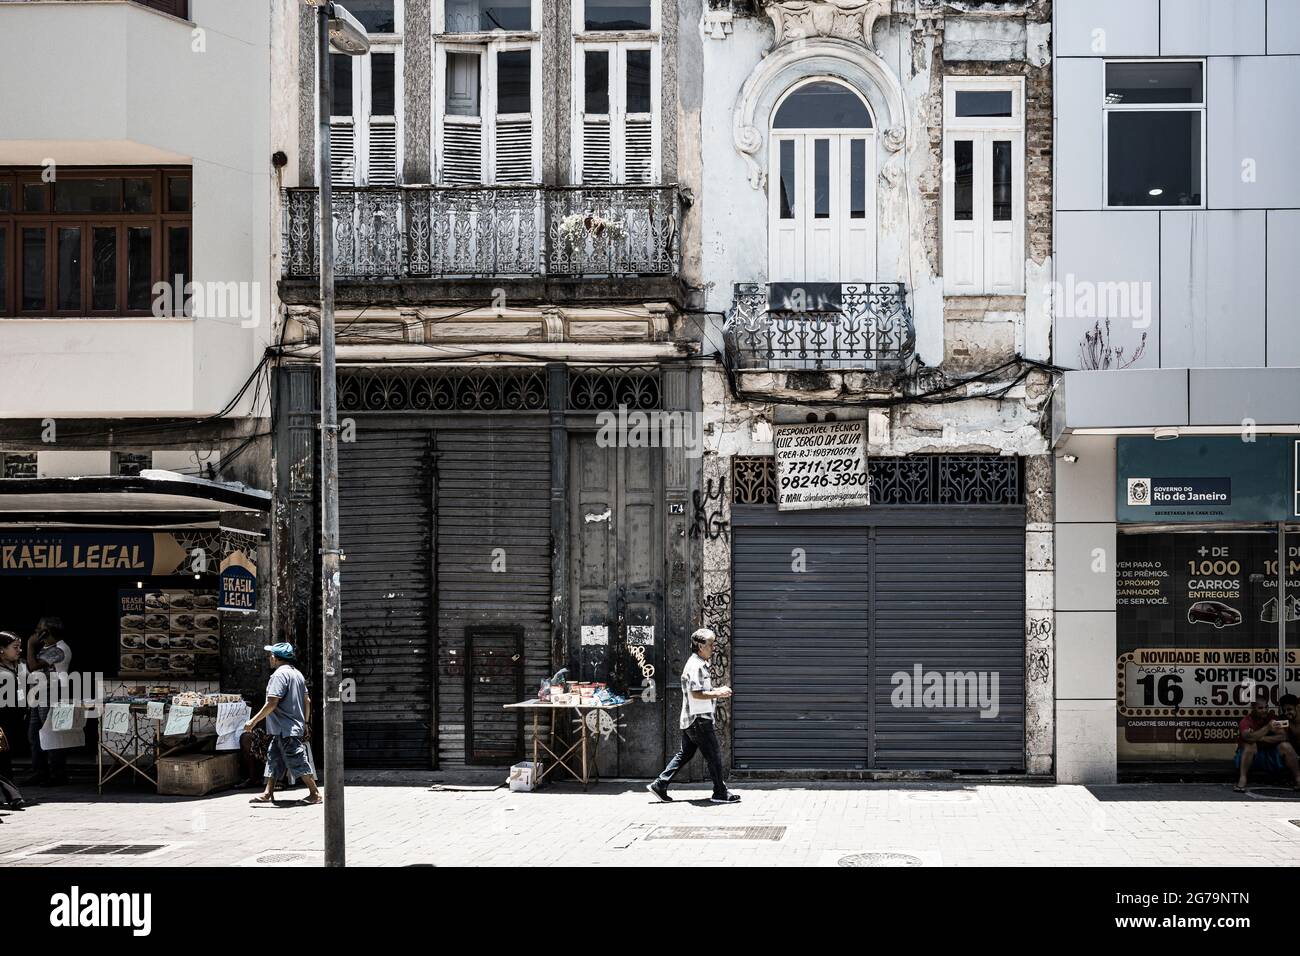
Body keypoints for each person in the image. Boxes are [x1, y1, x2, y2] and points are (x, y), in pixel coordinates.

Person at [647, 627, 740, 804]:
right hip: (698, 719)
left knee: (685, 754)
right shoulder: (696, 666)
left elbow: (699, 691)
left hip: (692, 718)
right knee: (714, 756)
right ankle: (720, 792)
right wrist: (718, 693)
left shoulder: (697, 663)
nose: (713, 648)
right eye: (710, 645)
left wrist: (714, 691)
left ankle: (660, 784)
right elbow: (696, 693)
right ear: (700, 646)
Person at [244, 642, 320, 806]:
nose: (269, 658)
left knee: (297, 759)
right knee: (274, 758)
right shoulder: (297, 674)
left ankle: (314, 793)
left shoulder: (279, 676)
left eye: (271, 655)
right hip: (285, 728)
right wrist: (305, 722)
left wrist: (253, 721)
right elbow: (307, 700)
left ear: (275, 658)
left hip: (286, 728)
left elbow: (271, 703)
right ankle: (267, 792)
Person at [24, 617, 80, 787]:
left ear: (46, 632)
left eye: (39, 628)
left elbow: (33, 666)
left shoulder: (59, 649)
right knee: (34, 735)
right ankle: (40, 772)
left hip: (53, 695)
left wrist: (30, 644)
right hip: (40, 693)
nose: (35, 630)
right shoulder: (49, 648)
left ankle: (58, 774)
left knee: (52, 734)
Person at [1234, 686, 1300, 792]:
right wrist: (1267, 728)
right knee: (1250, 745)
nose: (1264, 710)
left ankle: (1298, 779)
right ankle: (1242, 779)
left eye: (1266, 707)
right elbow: (1247, 737)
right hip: (1251, 758)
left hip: (1270, 757)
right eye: (1260, 708)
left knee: (1285, 746)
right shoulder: (1246, 721)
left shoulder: (1272, 717)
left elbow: (1283, 736)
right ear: (1253, 709)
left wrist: (1259, 737)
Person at [0, 632, 29, 810]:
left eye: (20, 647)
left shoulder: (20, 667)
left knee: (4, 759)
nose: (19, 650)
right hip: (2, 720)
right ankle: (13, 796)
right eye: (15, 647)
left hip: (13, 720)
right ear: (1, 650)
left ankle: (13, 796)